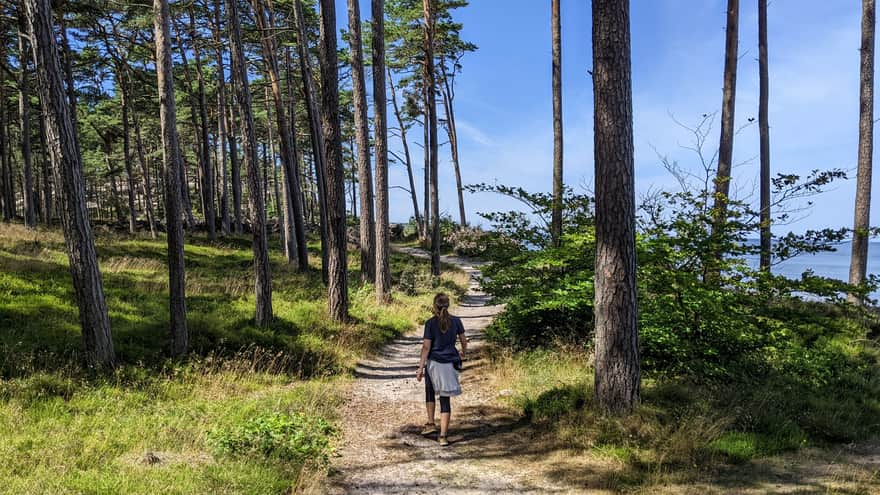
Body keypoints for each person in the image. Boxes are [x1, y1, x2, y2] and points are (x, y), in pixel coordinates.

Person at [416, 292, 467, 446]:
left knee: (430, 392)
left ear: (434, 306)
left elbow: (426, 347)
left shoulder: (430, 323)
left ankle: (431, 423)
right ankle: (443, 436)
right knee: (445, 398)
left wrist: (420, 368)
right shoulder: (456, 321)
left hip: (434, 363)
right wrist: (463, 352)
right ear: (448, 305)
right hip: (450, 362)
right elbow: (464, 341)